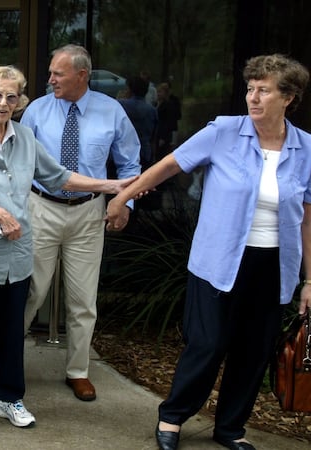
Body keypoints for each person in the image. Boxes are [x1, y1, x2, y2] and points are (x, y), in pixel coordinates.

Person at [106, 54, 311, 450]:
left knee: (253, 352)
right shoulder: (224, 132)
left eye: (263, 91)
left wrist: (309, 280)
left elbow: (306, 219)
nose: (253, 97)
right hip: (218, 261)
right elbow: (168, 166)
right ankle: (173, 417)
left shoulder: (306, 149)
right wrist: (124, 197)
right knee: (208, 344)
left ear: (288, 97)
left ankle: (230, 428)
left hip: (274, 267)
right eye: (250, 89)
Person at [0, 65, 134, 437]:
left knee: (13, 332)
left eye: (12, 96)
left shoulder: (25, 137)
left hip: (16, 255)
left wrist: (111, 184)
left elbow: (59, 177)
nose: (4, 103)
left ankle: (8, 397)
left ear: (20, 100)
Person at [19, 44, 141, 402]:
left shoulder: (112, 111)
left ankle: (78, 371)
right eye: (51, 72)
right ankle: (6, 359)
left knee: (83, 300)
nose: (50, 79)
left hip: (89, 213)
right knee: (30, 293)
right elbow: (21, 161)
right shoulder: (37, 111)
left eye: (58, 73)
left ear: (82, 75)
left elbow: (131, 165)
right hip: (41, 208)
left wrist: (124, 202)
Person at [119, 75, 158, 168]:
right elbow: (154, 137)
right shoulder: (152, 111)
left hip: (123, 154)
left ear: (130, 90)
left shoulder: (121, 105)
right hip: (144, 154)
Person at [155, 82, 182, 161]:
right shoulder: (158, 104)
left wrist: (163, 137)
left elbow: (168, 122)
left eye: (160, 92)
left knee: (164, 153)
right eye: (157, 92)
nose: (158, 94)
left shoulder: (168, 105)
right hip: (158, 132)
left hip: (165, 133)